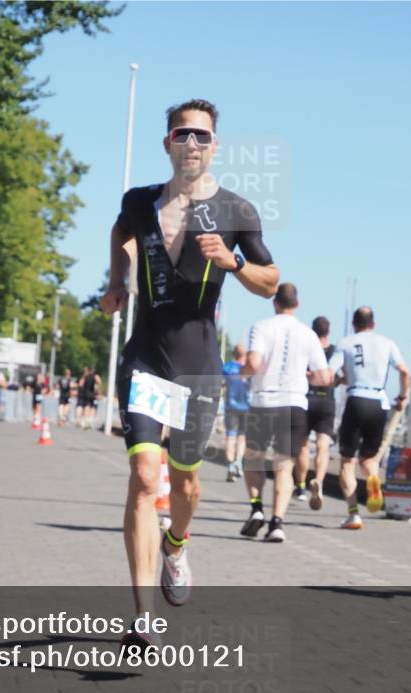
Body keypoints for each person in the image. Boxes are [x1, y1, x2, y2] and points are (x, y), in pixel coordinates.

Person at [100, 98, 278, 643]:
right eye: (183, 134)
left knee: (186, 483)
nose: (192, 144)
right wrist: (117, 279)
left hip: (199, 368)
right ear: (168, 143)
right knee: (144, 479)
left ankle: (177, 544)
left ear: (214, 145)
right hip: (148, 360)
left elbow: (272, 282)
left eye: (202, 136)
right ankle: (144, 618)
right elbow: (119, 231)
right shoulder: (139, 201)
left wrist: (234, 263)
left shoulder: (236, 211)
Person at [238, 283, 331, 542]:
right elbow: (324, 377)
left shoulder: (261, 327)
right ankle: (277, 523)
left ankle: (257, 508)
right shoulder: (309, 334)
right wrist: (303, 376)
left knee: (253, 460)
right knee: (284, 467)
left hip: (263, 402)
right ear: (297, 304)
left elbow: (253, 363)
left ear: (275, 302)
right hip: (293, 405)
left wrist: (242, 374)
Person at [328, 307, 410, 529]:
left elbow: (329, 372)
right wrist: (402, 397)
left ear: (354, 324)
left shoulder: (346, 342)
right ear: (373, 324)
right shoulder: (387, 343)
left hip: (356, 400)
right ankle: (373, 479)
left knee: (347, 462)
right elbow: (404, 371)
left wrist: (338, 380)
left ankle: (354, 514)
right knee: (369, 460)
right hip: (379, 402)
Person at [294, 316, 336, 510]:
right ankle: (318, 480)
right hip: (327, 401)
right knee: (323, 446)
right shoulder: (335, 352)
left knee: (302, 446)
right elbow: (337, 377)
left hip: (307, 399)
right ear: (328, 332)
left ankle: (301, 487)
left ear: (313, 330)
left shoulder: (307, 348)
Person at [221, 343, 250, 482]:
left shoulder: (227, 367)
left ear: (233, 353)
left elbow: (221, 384)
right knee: (242, 436)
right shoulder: (249, 369)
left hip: (230, 407)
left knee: (230, 437)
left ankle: (231, 465)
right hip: (247, 407)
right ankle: (238, 461)